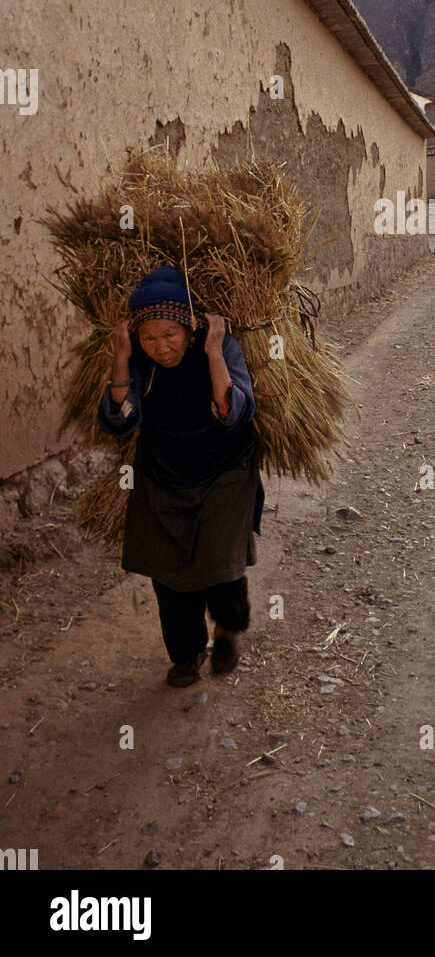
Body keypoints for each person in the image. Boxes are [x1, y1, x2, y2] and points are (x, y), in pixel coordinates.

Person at [98, 265, 264, 687]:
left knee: (220, 566)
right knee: (168, 576)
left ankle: (227, 631)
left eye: (170, 335)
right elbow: (121, 421)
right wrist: (120, 356)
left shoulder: (222, 346)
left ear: (189, 326)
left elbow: (236, 415)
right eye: (148, 338)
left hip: (225, 472)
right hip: (162, 474)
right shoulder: (137, 360)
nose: (161, 347)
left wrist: (212, 352)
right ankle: (187, 654)